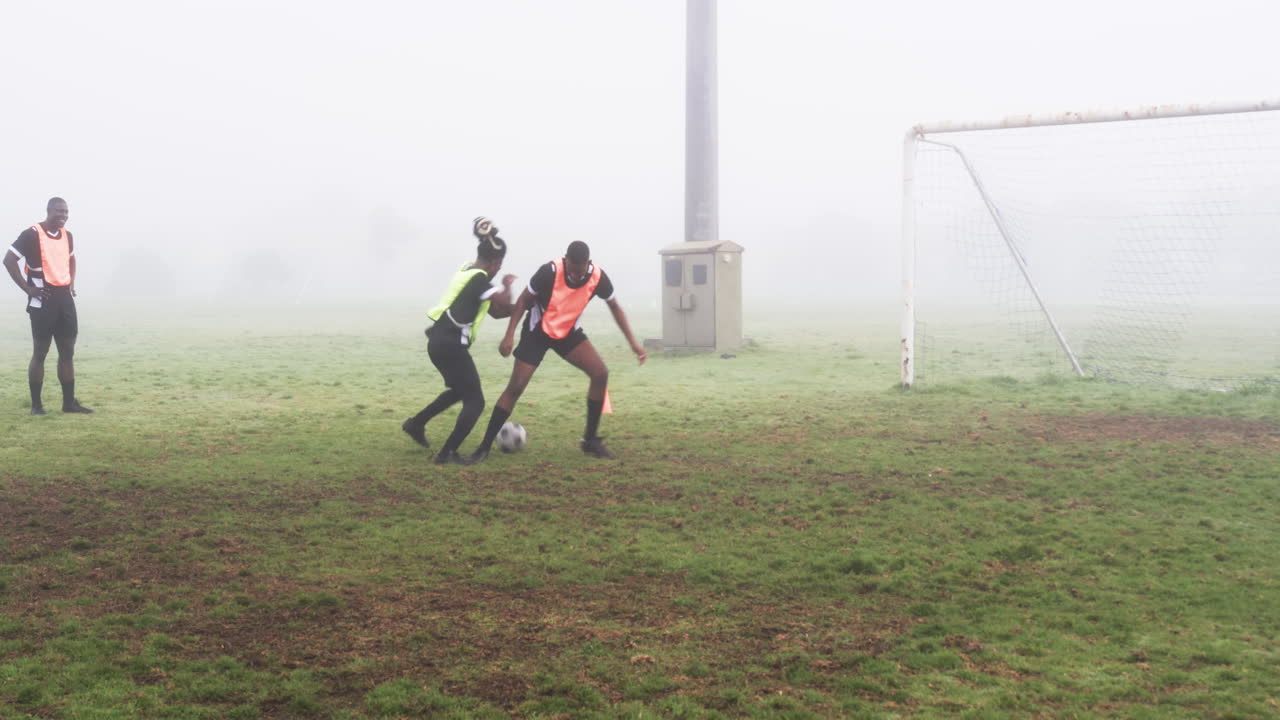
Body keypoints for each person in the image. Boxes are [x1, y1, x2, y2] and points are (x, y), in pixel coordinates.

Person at [468, 240, 646, 462]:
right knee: (516, 387)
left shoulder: (598, 277)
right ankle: (483, 448)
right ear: (566, 260)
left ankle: (590, 440)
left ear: (588, 264)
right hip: (537, 331)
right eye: (571, 271)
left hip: (568, 332)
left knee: (600, 374)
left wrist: (633, 343)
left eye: (580, 272)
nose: (575, 276)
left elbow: (615, 307)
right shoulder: (549, 271)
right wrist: (510, 334)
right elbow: (523, 300)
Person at [402, 217, 515, 464]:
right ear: (496, 262)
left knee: (459, 391)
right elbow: (503, 303)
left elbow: (497, 311)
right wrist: (508, 286)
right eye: (500, 265)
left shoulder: (467, 270)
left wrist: (521, 308)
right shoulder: (479, 280)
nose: (499, 270)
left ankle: (415, 423)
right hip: (450, 344)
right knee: (476, 401)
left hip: (439, 341)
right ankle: (447, 453)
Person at [3, 197, 92, 415]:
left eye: (66, 211)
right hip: (42, 299)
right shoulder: (31, 234)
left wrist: (71, 282)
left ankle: (69, 404)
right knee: (40, 352)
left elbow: (72, 259)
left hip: (64, 299)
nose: (63, 215)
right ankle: (36, 406)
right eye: (59, 211)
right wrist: (27, 288)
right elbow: (8, 260)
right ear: (48, 210)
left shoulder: (67, 236)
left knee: (67, 353)